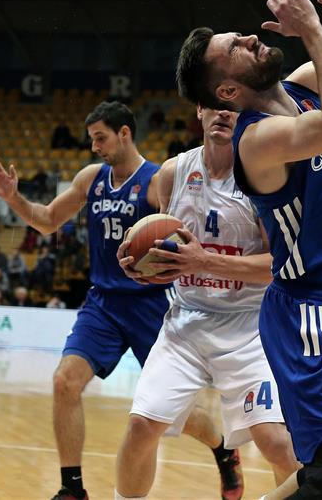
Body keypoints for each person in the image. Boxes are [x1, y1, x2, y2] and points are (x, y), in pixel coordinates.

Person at [176, 0, 322, 499]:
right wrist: (312, 27)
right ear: (227, 91)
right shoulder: (256, 139)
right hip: (306, 309)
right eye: (235, 48)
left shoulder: (300, 87)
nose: (249, 37)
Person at [0, 101, 244, 500]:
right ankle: (72, 489)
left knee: (168, 415)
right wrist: (12, 197)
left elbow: (187, 238)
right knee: (64, 381)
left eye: (100, 138)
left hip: (152, 305)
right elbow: (48, 219)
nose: (95, 147)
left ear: (125, 133)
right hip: (103, 302)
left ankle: (222, 446)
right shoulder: (91, 179)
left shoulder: (159, 181)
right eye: (92, 140)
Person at [114, 105, 299, 500]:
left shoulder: (263, 176)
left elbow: (280, 266)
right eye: (213, 104)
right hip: (186, 322)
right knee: (141, 427)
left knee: (276, 443)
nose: (223, 114)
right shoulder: (172, 173)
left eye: (233, 107)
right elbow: (161, 248)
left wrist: (206, 261)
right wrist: (137, 264)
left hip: (250, 326)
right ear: (199, 110)